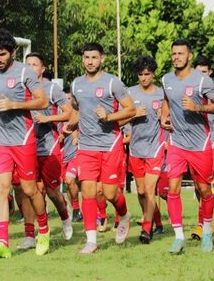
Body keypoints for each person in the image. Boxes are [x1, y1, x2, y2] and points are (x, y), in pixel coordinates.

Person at [0, 29, 50, 258]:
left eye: (2, 54)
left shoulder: (25, 72)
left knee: (30, 189)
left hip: (23, 140)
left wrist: (14, 105)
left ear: (12, 52)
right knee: (0, 188)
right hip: (0, 140)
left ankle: (44, 230)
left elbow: (42, 101)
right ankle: (3, 243)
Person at [68, 42, 136, 254]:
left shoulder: (112, 83)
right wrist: (71, 130)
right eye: (86, 57)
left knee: (109, 192)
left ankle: (124, 216)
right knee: (88, 192)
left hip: (110, 144)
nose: (90, 61)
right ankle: (91, 241)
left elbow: (131, 109)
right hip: (87, 146)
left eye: (94, 57)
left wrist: (109, 117)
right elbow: (77, 110)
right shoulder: (76, 84)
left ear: (102, 59)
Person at [160, 39, 214, 254]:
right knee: (173, 188)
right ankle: (179, 237)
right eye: (174, 54)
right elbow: (167, 101)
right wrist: (164, 118)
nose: (176, 57)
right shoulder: (166, 79)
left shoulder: (202, 81)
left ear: (189, 55)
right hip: (177, 142)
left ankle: (206, 230)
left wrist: (198, 107)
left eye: (180, 53)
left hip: (200, 144)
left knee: (204, 190)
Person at [22, 52, 73, 246]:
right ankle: (31, 234)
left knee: (52, 192)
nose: (30, 67)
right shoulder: (20, 88)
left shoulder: (52, 89)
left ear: (42, 69)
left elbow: (68, 113)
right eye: (27, 64)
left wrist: (47, 119)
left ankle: (65, 216)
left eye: (34, 64)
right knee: (29, 191)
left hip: (49, 147)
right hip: (25, 148)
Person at [121, 56, 165, 244]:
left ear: (153, 74)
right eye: (140, 74)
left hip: (155, 147)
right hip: (136, 149)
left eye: (147, 74)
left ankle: (146, 229)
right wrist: (133, 114)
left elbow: (170, 120)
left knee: (149, 189)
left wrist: (164, 119)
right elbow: (119, 121)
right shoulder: (129, 93)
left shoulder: (163, 95)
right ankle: (156, 220)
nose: (144, 78)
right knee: (140, 191)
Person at [191, 56, 214, 241]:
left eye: (204, 72)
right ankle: (204, 218)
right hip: (191, 142)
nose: (201, 75)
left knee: (206, 182)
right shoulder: (188, 88)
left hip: (210, 140)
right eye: (198, 72)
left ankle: (205, 223)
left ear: (210, 73)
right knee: (197, 184)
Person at [61, 89, 82, 222]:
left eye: (69, 99)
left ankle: (76, 209)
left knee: (70, 180)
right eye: (64, 99)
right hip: (63, 155)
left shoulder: (78, 114)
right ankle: (76, 210)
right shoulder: (59, 115)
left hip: (76, 153)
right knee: (67, 184)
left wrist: (75, 137)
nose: (67, 101)